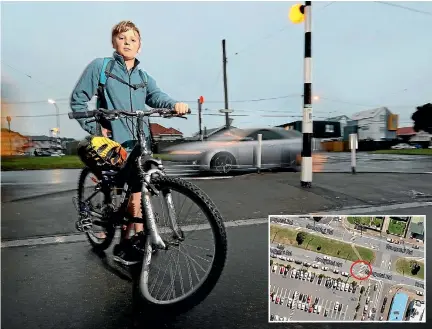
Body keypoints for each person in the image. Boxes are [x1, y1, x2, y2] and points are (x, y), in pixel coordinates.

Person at [70, 20, 189, 265]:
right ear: (114, 42)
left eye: (133, 39)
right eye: (123, 38)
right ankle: (123, 239)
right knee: (129, 192)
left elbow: (157, 97)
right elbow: (78, 100)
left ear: (140, 47)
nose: (128, 43)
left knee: (139, 191)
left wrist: (174, 105)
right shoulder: (101, 68)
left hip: (140, 142)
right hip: (112, 142)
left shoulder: (144, 77)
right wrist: (96, 129)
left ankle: (131, 239)